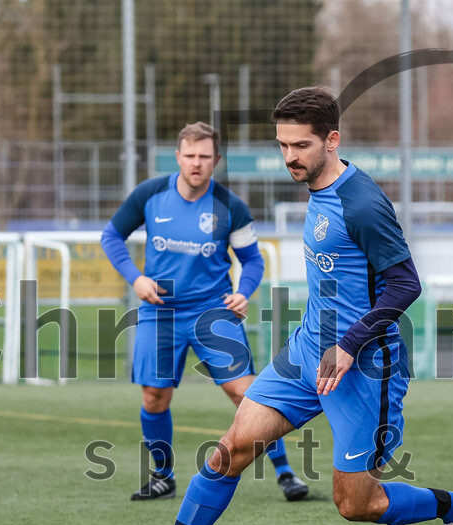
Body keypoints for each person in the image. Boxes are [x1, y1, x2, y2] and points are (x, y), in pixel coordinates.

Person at [124, 87, 453, 525]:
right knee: (228, 452)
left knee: (355, 504)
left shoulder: (361, 203)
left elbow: (406, 284)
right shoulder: (318, 188)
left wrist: (349, 343)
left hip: (365, 367)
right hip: (305, 353)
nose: (289, 157)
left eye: (301, 146)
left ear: (332, 140)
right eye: (282, 145)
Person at [100, 121, 309, 502]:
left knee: (247, 396)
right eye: (190, 155)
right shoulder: (150, 194)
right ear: (178, 156)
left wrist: (244, 292)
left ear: (216, 161)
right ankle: (162, 477)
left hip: (213, 313)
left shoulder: (231, 207)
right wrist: (136, 278)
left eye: (205, 156)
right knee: (154, 397)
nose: (197, 163)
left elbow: (252, 260)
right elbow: (111, 236)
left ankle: (286, 474)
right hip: (159, 311)